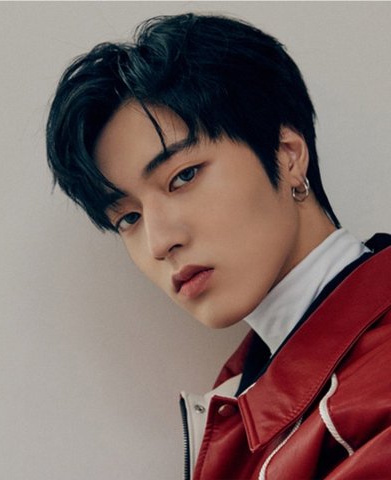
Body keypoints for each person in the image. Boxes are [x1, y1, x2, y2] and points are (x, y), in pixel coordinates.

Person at [46, 13, 391, 480]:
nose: (160, 241)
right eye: (128, 218)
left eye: (183, 177)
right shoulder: (243, 395)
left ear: (288, 155)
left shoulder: (374, 379)